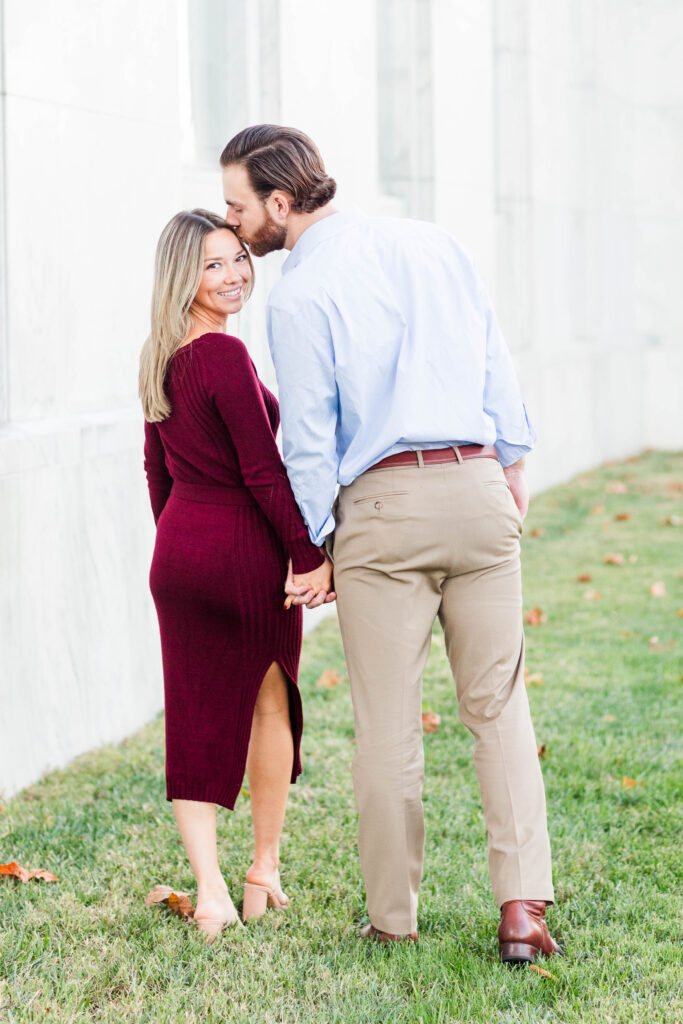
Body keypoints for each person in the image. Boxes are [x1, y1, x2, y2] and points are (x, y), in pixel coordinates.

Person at [219, 126, 561, 964]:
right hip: (478, 484)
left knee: (386, 725)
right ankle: (521, 912)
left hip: (379, 509)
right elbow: (493, 358)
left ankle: (392, 918)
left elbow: (307, 439)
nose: (233, 224)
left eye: (237, 206)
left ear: (280, 202)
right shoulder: (432, 241)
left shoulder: (298, 296)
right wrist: (508, 467)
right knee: (499, 706)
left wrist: (316, 543)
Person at [139, 208, 334, 940]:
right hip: (241, 549)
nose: (232, 276)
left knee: (191, 714)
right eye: (212, 265)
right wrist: (305, 551)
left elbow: (157, 473)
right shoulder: (221, 356)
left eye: (237, 261)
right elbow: (261, 469)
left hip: (179, 551)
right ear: (181, 278)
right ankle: (262, 868)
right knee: (269, 704)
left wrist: (178, 549)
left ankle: (211, 892)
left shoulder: (158, 358)